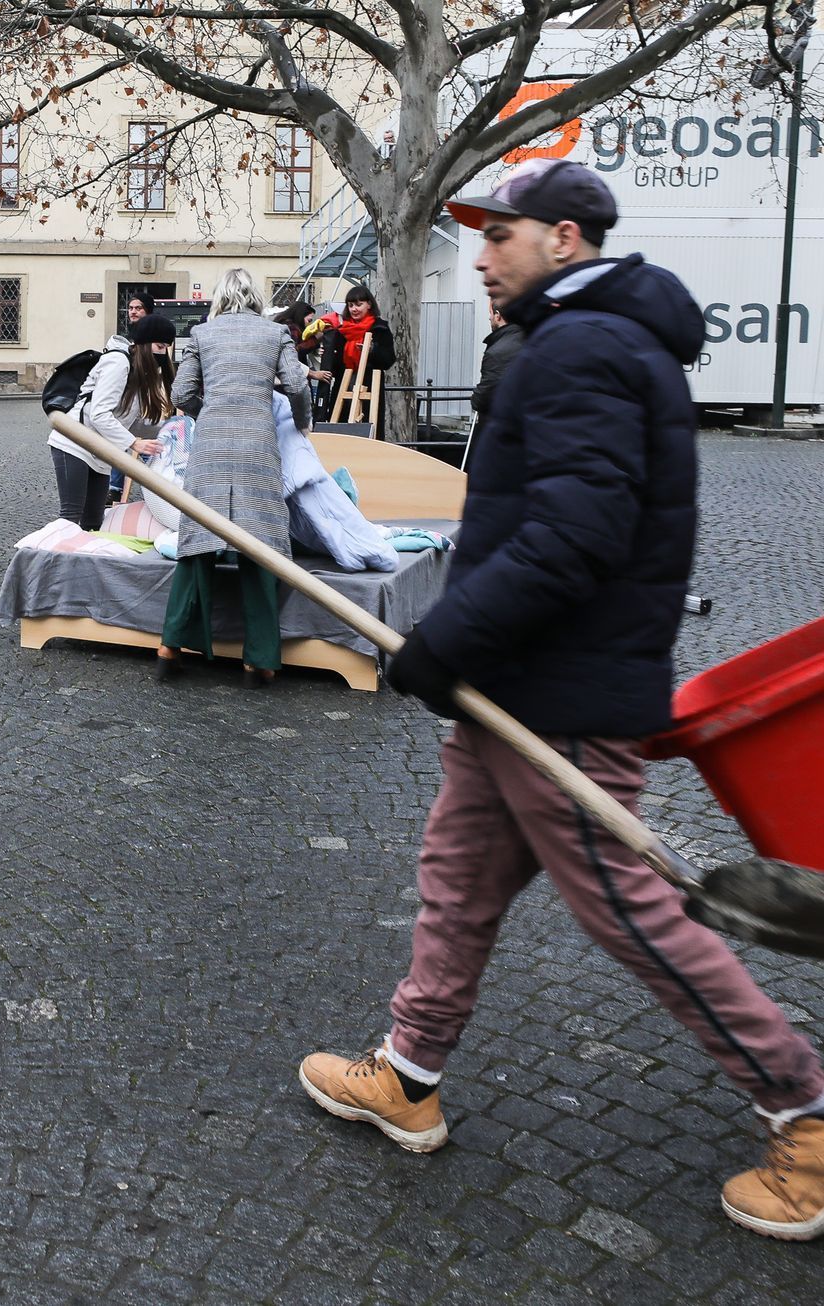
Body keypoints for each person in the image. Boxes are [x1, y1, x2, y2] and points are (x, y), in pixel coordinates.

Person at [298, 157, 824, 1242]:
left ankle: (805, 1112)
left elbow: (573, 537)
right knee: (455, 881)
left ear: (566, 240)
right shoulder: (574, 340)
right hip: (514, 687)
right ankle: (407, 1068)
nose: (482, 257)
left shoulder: (586, 345)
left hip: (562, 698)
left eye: (501, 235)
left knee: (629, 909)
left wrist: (446, 635)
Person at [158, 268, 310, 687]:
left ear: (220, 298)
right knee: (259, 548)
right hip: (257, 443)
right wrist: (302, 422)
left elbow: (180, 394)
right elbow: (297, 384)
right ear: (255, 297)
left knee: (197, 544)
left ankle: (170, 644)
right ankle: (257, 659)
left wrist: (208, 411)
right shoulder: (274, 334)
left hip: (211, 445)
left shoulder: (204, 335)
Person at [51, 316, 173, 530]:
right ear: (144, 344)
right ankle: (57, 561)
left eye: (166, 348)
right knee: (71, 516)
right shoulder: (118, 363)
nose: (162, 354)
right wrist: (134, 443)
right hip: (74, 443)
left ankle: (87, 561)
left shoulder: (138, 372)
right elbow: (99, 415)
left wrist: (171, 430)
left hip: (101, 450)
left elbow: (130, 420)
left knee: (94, 521)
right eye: (159, 346)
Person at [107, 292, 163, 500]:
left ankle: (162, 483)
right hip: (124, 400)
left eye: (138, 308)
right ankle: (115, 487)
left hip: (145, 398)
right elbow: (101, 415)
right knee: (122, 433)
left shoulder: (155, 339)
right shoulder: (121, 353)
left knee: (139, 434)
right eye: (130, 308)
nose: (133, 311)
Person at [315, 284, 396, 423]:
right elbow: (335, 368)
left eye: (359, 304)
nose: (354, 309)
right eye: (351, 305)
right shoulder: (341, 330)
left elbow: (388, 360)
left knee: (368, 428)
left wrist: (372, 350)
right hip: (343, 386)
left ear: (369, 304)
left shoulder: (379, 328)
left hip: (370, 386)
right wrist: (328, 356)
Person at [470, 303, 525, 416]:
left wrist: (475, 398)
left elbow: (483, 397)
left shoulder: (496, 353)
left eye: (490, 313)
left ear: (497, 315)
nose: (489, 318)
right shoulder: (531, 339)